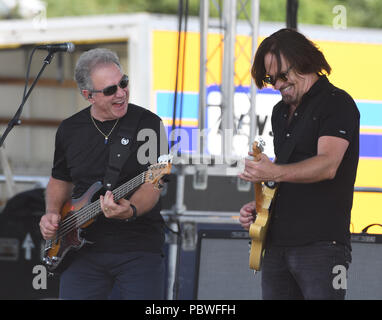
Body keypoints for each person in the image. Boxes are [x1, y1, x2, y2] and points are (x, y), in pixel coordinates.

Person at [239, 28, 359, 300]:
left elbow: (328, 165)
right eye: (271, 79)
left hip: (321, 245)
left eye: (283, 75)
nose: (278, 84)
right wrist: (260, 207)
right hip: (278, 243)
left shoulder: (337, 103)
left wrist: (274, 171)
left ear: (305, 61)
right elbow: (285, 174)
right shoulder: (280, 112)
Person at [39, 48, 169, 300]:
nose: (121, 93)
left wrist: (130, 209)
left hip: (137, 248)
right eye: (110, 90)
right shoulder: (69, 129)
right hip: (80, 252)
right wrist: (52, 214)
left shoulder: (148, 124)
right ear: (88, 95)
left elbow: (154, 182)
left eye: (124, 83)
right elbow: (60, 178)